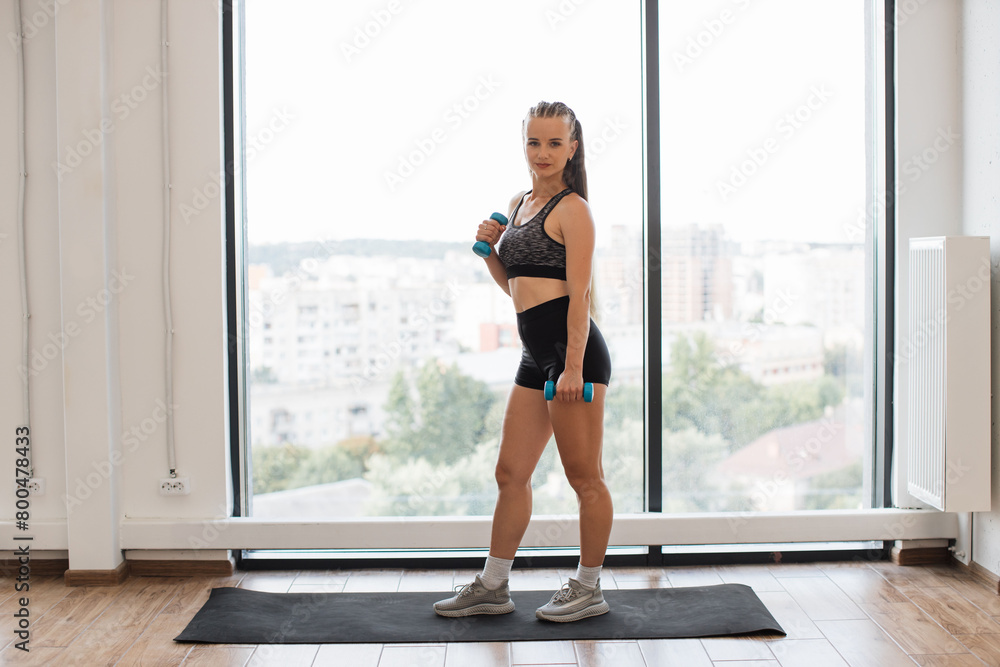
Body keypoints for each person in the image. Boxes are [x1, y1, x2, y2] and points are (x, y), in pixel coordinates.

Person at [434, 101, 613, 623]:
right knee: (510, 471)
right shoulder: (518, 204)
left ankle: (589, 586)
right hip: (536, 355)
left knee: (585, 478)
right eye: (534, 142)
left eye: (555, 143)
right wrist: (492, 252)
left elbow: (576, 298)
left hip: (572, 356)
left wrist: (574, 368)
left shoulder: (573, 209)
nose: (543, 153)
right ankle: (493, 586)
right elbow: (516, 288)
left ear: (572, 148)